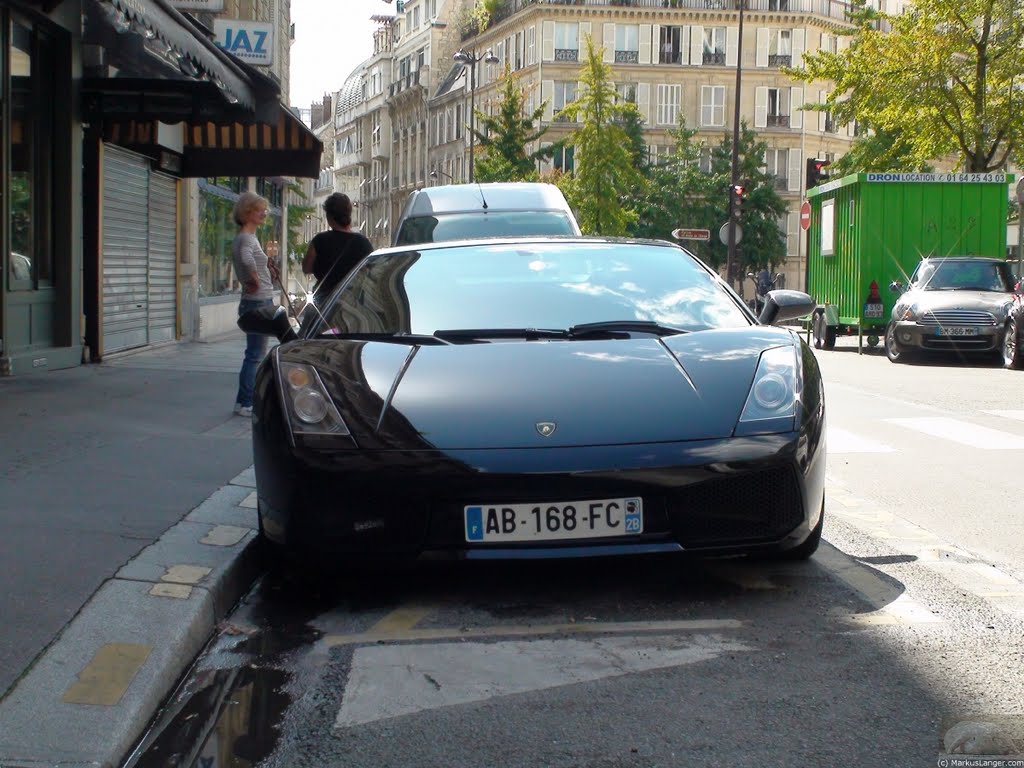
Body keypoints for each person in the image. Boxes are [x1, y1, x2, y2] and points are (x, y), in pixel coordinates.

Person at [231, 191, 280, 417]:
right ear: (248, 213)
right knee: (255, 355)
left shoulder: (247, 237)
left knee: (254, 353)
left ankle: (244, 401)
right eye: (260, 209)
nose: (264, 213)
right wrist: (254, 279)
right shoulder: (247, 238)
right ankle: (247, 402)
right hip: (258, 301)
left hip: (255, 300)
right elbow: (246, 258)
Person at [302, 193, 373, 309]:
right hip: (355, 303)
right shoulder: (363, 243)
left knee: (310, 327)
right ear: (349, 214)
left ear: (329, 218)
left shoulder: (320, 240)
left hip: (324, 303)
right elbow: (371, 273)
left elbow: (306, 268)